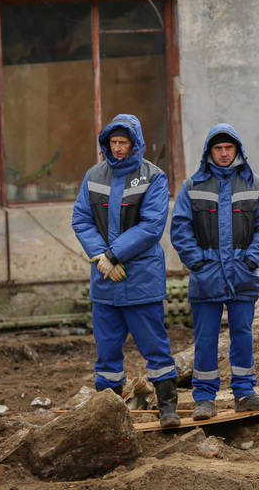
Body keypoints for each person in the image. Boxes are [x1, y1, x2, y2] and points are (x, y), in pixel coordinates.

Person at [71, 114, 180, 428]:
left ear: (135, 144)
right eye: (113, 142)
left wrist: (113, 255)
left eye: (123, 142)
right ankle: (108, 414)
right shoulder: (94, 176)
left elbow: (151, 226)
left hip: (140, 279)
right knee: (106, 353)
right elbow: (81, 220)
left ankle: (168, 407)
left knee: (154, 346)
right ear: (107, 143)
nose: (118, 148)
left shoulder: (153, 177)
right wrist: (100, 258)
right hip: (105, 280)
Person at [170, 124, 259, 419]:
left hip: (243, 274)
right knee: (205, 338)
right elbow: (180, 229)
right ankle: (204, 399)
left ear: (237, 151)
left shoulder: (256, 185)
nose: (223, 153)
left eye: (228, 148)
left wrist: (249, 261)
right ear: (209, 152)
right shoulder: (192, 187)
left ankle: (244, 392)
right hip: (206, 276)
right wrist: (199, 263)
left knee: (242, 333)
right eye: (218, 148)